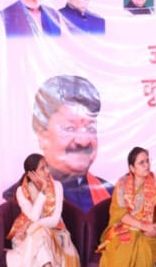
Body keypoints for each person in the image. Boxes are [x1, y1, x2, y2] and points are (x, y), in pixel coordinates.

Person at [13, 75, 113, 213]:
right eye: (70, 128)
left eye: (90, 128)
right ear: (42, 136)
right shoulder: (20, 196)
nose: (83, 141)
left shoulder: (110, 193)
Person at [6, 154, 85, 267]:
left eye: (47, 166)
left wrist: (33, 227)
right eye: (42, 168)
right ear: (31, 174)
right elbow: (33, 216)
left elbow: (54, 220)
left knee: (37, 235)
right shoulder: (22, 191)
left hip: (55, 233)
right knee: (38, 238)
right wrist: (42, 191)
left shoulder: (57, 186)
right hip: (27, 237)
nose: (48, 171)